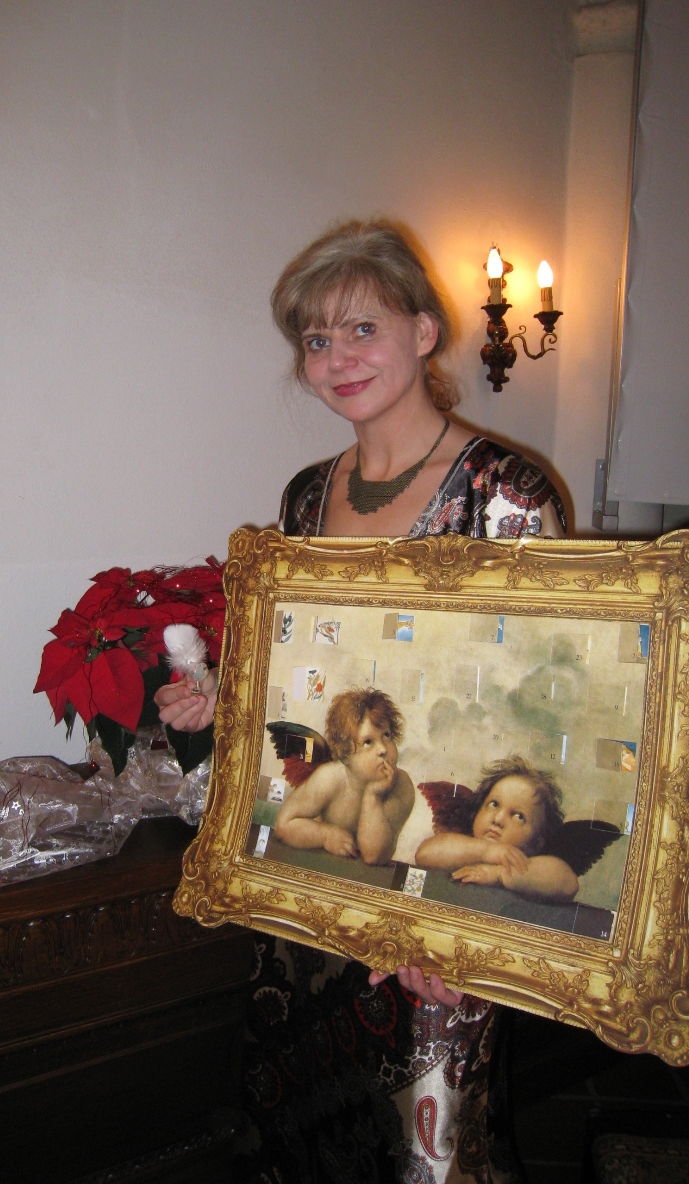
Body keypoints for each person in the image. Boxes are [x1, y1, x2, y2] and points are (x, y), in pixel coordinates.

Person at [157, 219, 565, 1183]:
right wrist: (226, 702)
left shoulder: (506, 494)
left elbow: (534, 724)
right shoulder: (306, 496)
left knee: (429, 1147)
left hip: (439, 898)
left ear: (424, 332)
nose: (336, 358)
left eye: (362, 329)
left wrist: (460, 928)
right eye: (315, 339)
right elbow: (310, 680)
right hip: (313, 878)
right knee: (303, 1126)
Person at [273, 687, 414, 866]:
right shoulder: (329, 778)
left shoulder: (401, 786)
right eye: (368, 742)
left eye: (386, 736)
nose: (383, 749)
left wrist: (373, 795)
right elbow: (283, 824)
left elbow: (373, 855)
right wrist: (325, 836)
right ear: (345, 755)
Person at [416, 757, 579, 902]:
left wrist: (498, 874)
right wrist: (486, 851)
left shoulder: (530, 866)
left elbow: (568, 884)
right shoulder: (460, 845)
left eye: (518, 816)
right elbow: (424, 854)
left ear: (537, 842)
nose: (498, 819)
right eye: (494, 804)